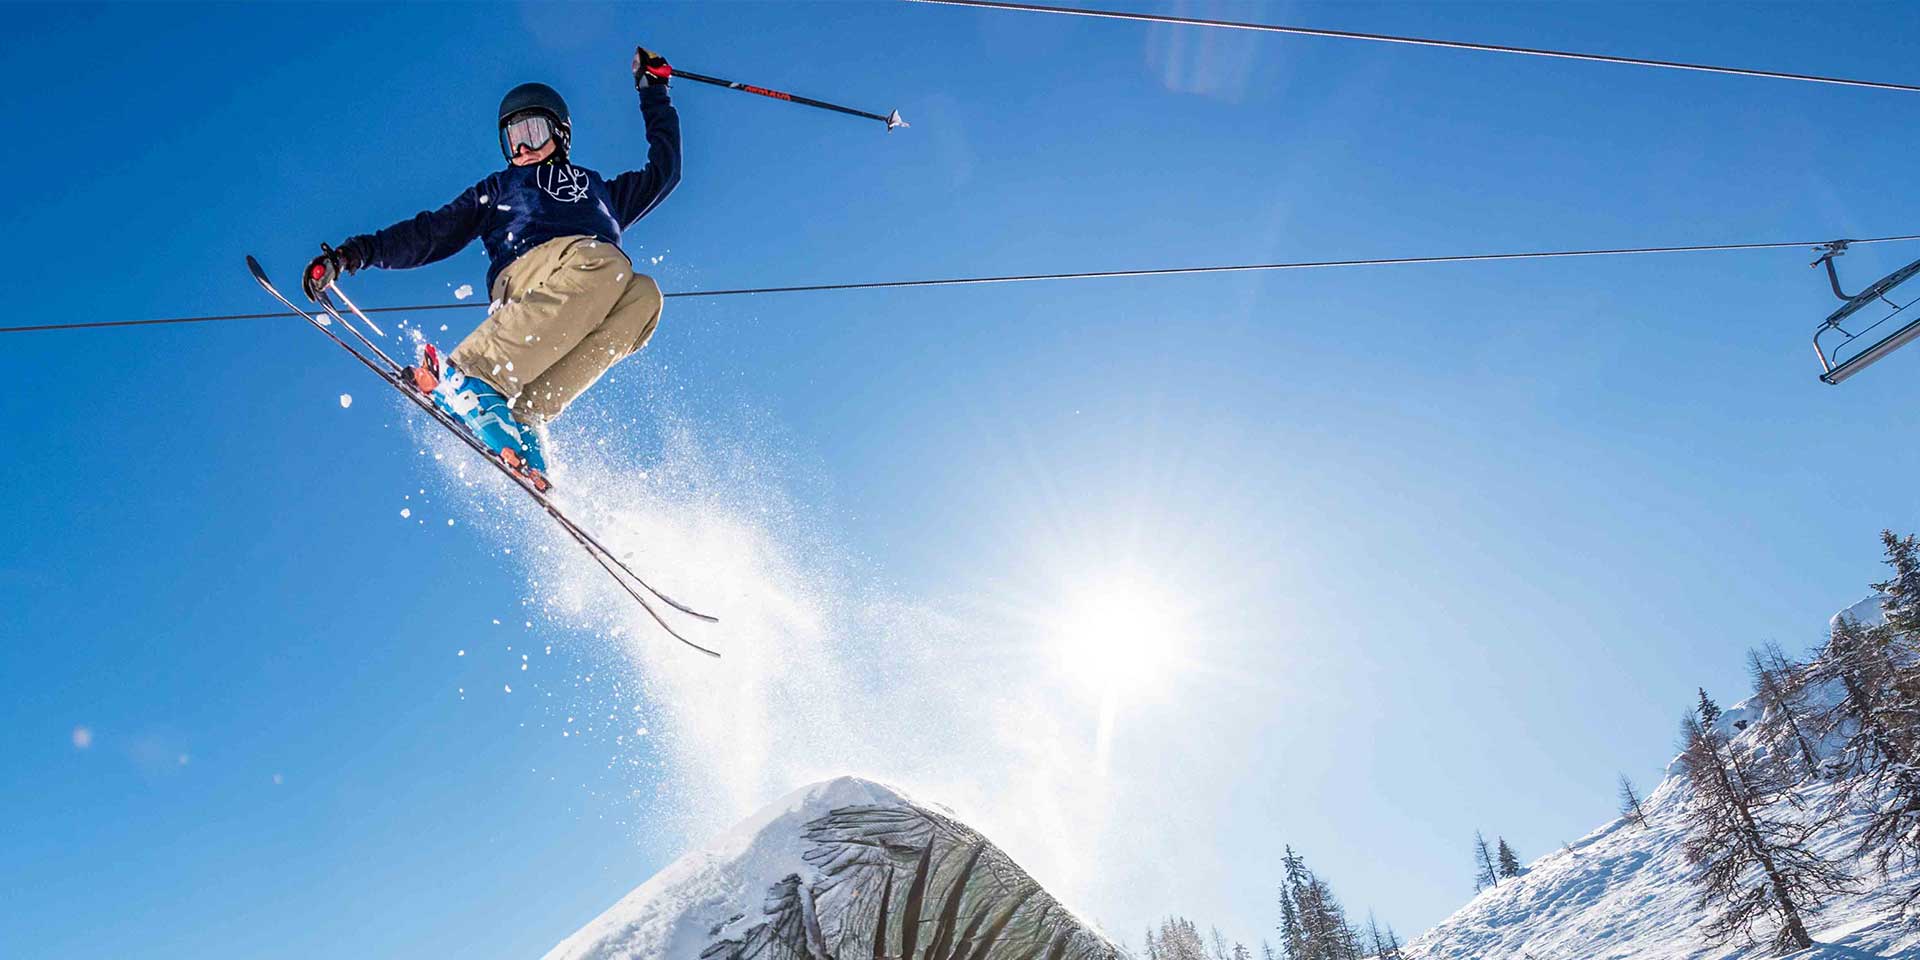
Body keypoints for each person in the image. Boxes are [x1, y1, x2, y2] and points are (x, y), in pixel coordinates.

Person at [303, 46, 681, 490]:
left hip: (587, 276)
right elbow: (430, 233)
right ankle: (472, 371)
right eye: (512, 138)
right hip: (528, 276)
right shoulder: (502, 187)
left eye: (533, 132)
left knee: (644, 297)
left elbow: (665, 172)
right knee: (608, 263)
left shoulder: (601, 193)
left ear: (559, 135)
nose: (521, 147)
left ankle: (524, 415)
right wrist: (351, 254)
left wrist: (653, 92)